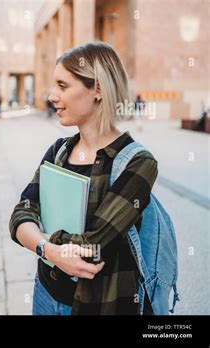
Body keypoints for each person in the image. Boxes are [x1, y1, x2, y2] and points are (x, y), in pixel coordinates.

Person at [9, 41, 158, 315]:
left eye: (63, 86)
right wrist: (48, 249)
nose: (52, 96)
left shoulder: (137, 163)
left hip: (98, 305)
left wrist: (39, 240)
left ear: (98, 89)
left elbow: (91, 246)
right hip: (45, 294)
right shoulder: (59, 150)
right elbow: (21, 214)